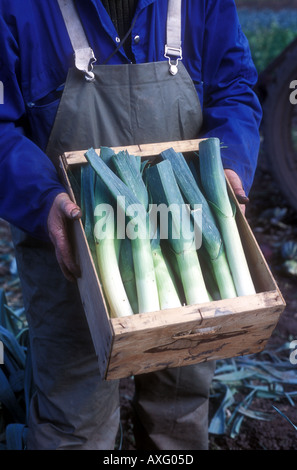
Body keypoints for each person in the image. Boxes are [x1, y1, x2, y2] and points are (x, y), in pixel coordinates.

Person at [0, 0, 262, 450]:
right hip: (75, 248)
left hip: (190, 241)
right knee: (73, 422)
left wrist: (230, 166)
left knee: (178, 413)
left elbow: (234, 87)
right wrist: (44, 201)